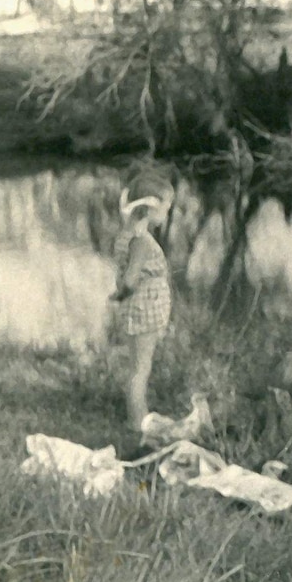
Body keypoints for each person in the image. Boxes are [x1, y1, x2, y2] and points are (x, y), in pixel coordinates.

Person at [110, 170, 175, 431]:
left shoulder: (127, 233)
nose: (167, 215)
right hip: (143, 311)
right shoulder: (141, 241)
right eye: (166, 209)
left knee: (138, 365)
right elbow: (129, 280)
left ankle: (141, 416)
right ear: (149, 210)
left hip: (139, 309)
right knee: (141, 368)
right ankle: (137, 421)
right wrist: (121, 293)